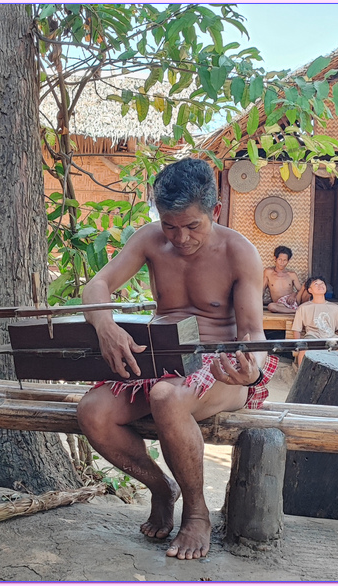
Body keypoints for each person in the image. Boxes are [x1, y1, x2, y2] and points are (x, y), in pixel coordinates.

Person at [77, 158, 278, 561]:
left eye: (192, 226)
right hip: (163, 361)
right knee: (92, 412)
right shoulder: (149, 239)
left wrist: (249, 367)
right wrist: (105, 326)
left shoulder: (241, 252)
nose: (180, 238)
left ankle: (197, 514)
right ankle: (160, 488)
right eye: (170, 226)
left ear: (214, 211)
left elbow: (252, 332)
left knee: (167, 398)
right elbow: (97, 284)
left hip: (224, 370)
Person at [291, 275, 338, 367]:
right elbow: (296, 329)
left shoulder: (335, 308)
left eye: (322, 283)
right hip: (313, 339)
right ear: (309, 290)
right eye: (316, 284)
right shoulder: (303, 308)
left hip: (331, 339)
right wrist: (299, 345)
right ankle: (302, 377)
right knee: (303, 351)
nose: (320, 286)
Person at [263, 245, 304, 313]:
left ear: (288, 261)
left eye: (285, 260)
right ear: (275, 258)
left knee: (307, 286)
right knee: (271, 306)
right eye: (280, 259)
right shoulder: (268, 272)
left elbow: (301, 290)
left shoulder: (292, 274)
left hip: (292, 302)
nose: (282, 262)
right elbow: (262, 289)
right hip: (280, 305)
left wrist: (293, 295)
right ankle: (296, 311)